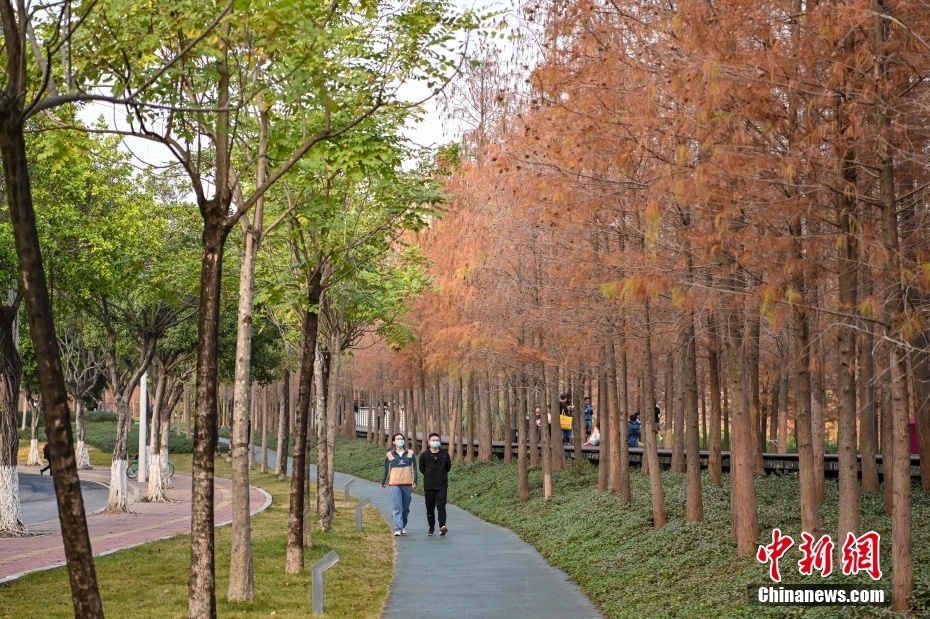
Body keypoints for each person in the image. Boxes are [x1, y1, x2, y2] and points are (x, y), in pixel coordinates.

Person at [381, 432, 418, 536]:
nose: (400, 441)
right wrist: (384, 481)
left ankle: (403, 526)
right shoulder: (390, 455)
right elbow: (386, 469)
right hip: (395, 484)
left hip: (407, 484)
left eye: (401, 439)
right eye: (397, 439)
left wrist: (415, 481)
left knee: (405, 508)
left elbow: (414, 468)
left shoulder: (410, 453)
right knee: (397, 506)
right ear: (393, 442)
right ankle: (398, 527)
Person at [418, 432, 451, 536]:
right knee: (430, 507)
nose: (435, 442)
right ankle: (431, 527)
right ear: (429, 442)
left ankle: (442, 526)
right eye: (433, 440)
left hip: (442, 485)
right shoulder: (424, 455)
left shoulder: (444, 454)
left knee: (441, 506)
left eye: (437, 440)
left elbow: (448, 467)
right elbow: (422, 469)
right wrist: (429, 475)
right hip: (429, 486)